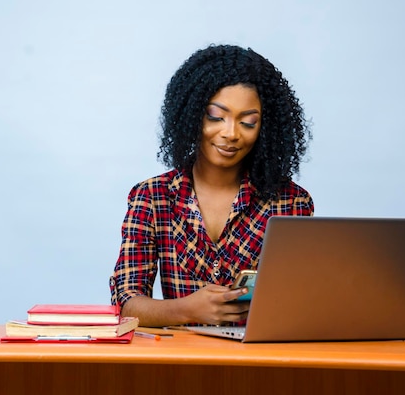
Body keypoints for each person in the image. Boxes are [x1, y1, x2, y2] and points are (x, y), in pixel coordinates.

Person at [109, 44, 314, 327]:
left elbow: (300, 304)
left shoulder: (290, 203)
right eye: (216, 117)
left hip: (258, 363)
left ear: (265, 129)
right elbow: (126, 303)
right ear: (192, 115)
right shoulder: (152, 197)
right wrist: (187, 310)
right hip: (179, 364)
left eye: (248, 122)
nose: (230, 133)